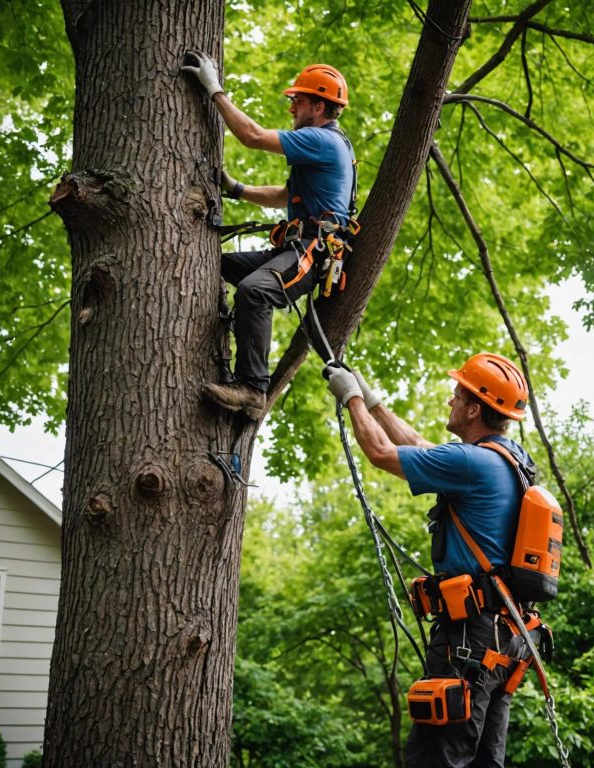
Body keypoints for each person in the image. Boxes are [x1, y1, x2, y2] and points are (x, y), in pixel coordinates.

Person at [325, 353, 540, 768]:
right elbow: (419, 446)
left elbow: (382, 452)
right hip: (505, 639)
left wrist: (349, 397)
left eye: (457, 395)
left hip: (468, 638)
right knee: (481, 762)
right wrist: (371, 400)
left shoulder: (470, 462)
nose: (450, 400)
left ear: (475, 409)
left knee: (435, 758)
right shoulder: (506, 461)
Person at [182, 52, 356, 416]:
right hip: (293, 248)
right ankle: (230, 332)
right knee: (215, 264)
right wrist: (237, 189)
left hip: (312, 252)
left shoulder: (322, 140)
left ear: (321, 107)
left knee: (256, 290)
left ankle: (252, 387)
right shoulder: (322, 146)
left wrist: (213, 88)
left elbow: (253, 136)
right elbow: (284, 195)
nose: (292, 108)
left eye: (299, 101)